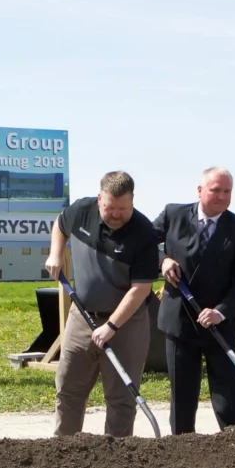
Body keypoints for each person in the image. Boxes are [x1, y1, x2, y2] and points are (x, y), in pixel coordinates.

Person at [46, 172, 161, 437]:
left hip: (126, 323)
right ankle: (64, 450)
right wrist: (55, 253)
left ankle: (116, 460)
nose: (117, 215)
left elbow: (141, 289)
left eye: (124, 209)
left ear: (133, 201)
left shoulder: (143, 233)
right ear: (100, 199)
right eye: (111, 208)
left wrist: (111, 325)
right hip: (82, 316)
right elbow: (60, 226)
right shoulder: (81, 210)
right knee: (68, 390)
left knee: (121, 398)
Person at [156, 167, 235, 431]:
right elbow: (145, 245)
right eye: (216, 190)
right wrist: (163, 260)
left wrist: (222, 311)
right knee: (182, 394)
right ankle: (182, 449)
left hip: (218, 322)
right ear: (200, 190)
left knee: (230, 395)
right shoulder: (173, 214)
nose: (222, 197)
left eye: (227, 191)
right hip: (180, 321)